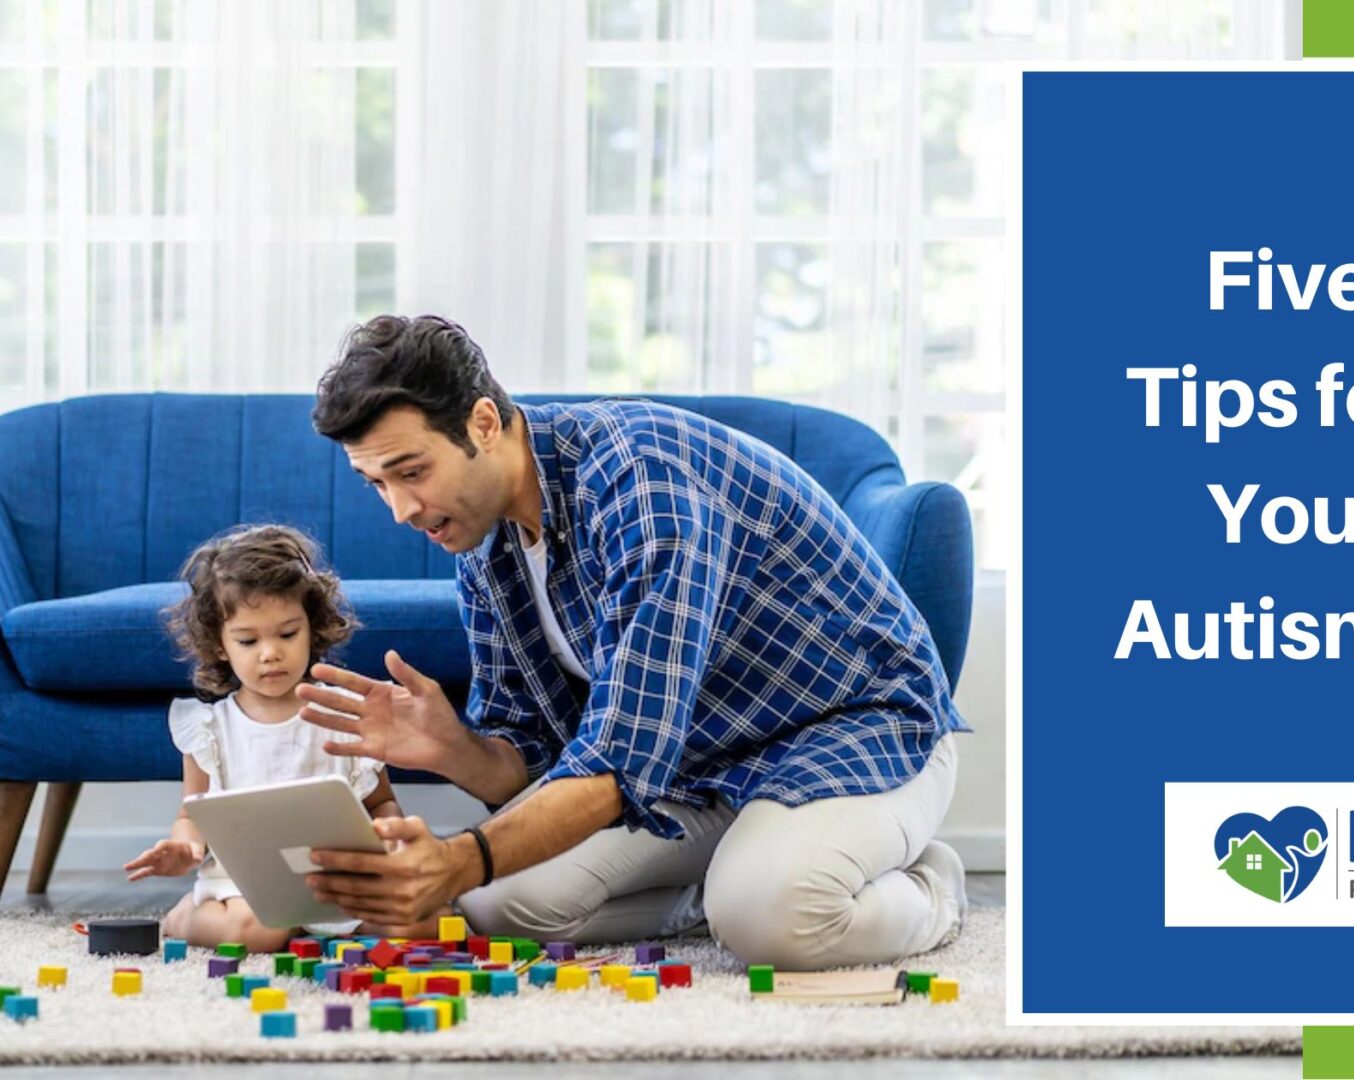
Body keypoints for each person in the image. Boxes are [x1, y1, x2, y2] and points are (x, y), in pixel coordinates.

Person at [295, 314, 970, 969]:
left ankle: (929, 888)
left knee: (770, 919)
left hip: (856, 731)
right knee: (499, 903)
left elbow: (616, 764)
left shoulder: (639, 481)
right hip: (695, 765)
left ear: (483, 423)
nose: (402, 509)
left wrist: (456, 858)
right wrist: (456, 751)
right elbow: (532, 756)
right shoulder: (481, 544)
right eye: (377, 483)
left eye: (412, 472)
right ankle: (734, 884)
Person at [125, 524, 445, 949]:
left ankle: (314, 928)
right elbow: (192, 815)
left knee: (430, 923)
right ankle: (185, 918)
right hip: (246, 886)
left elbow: (379, 800)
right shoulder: (209, 729)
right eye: (247, 639)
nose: (270, 652)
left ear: (312, 629)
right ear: (220, 645)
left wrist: (390, 833)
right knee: (260, 931)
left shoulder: (345, 711)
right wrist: (184, 848)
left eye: (288, 633)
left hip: (341, 879)